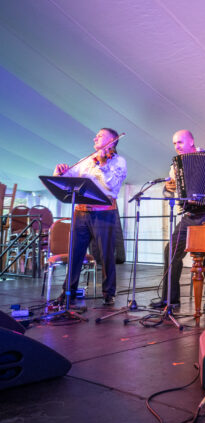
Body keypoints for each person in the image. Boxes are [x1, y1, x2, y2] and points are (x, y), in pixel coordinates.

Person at [155, 130, 205, 310]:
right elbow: (172, 192)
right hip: (191, 214)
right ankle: (170, 299)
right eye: (175, 143)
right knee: (172, 251)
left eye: (180, 143)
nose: (177, 147)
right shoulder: (175, 166)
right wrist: (169, 188)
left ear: (191, 141)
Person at [53, 128, 127, 306]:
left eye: (100, 135)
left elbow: (111, 186)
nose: (95, 137)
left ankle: (109, 293)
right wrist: (59, 171)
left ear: (112, 140)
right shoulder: (85, 160)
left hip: (103, 213)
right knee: (75, 253)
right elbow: (65, 178)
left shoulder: (118, 162)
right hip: (81, 212)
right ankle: (68, 291)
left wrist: (102, 164)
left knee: (106, 254)